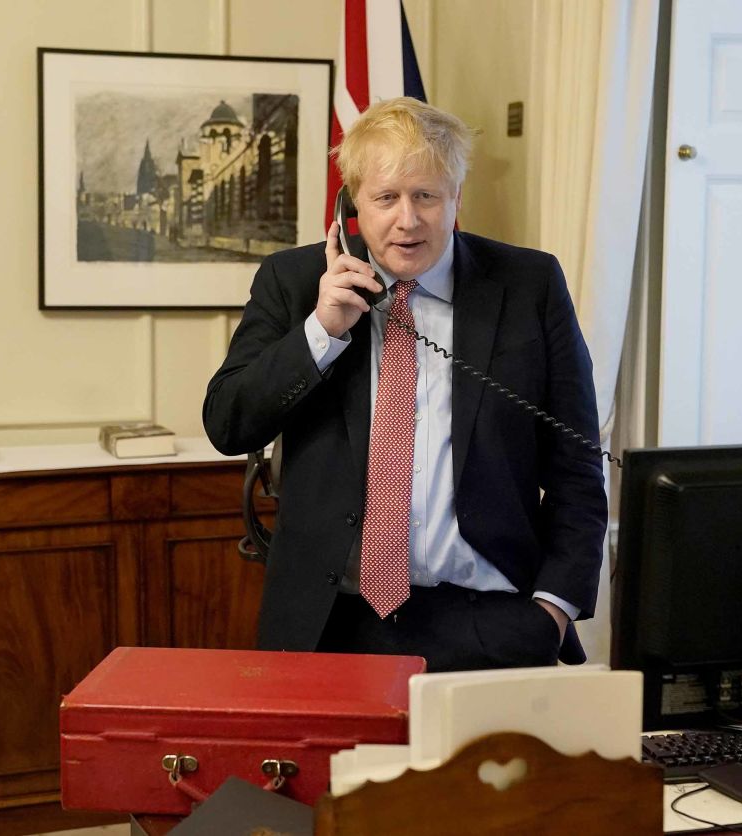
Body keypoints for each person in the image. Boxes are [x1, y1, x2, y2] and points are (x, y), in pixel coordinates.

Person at [202, 97, 606, 671]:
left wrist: (554, 607)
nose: (408, 220)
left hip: (493, 621)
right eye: (387, 197)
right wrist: (321, 331)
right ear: (352, 206)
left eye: (426, 197)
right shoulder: (293, 283)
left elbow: (577, 463)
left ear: (456, 199)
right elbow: (228, 423)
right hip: (330, 623)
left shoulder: (528, 284)